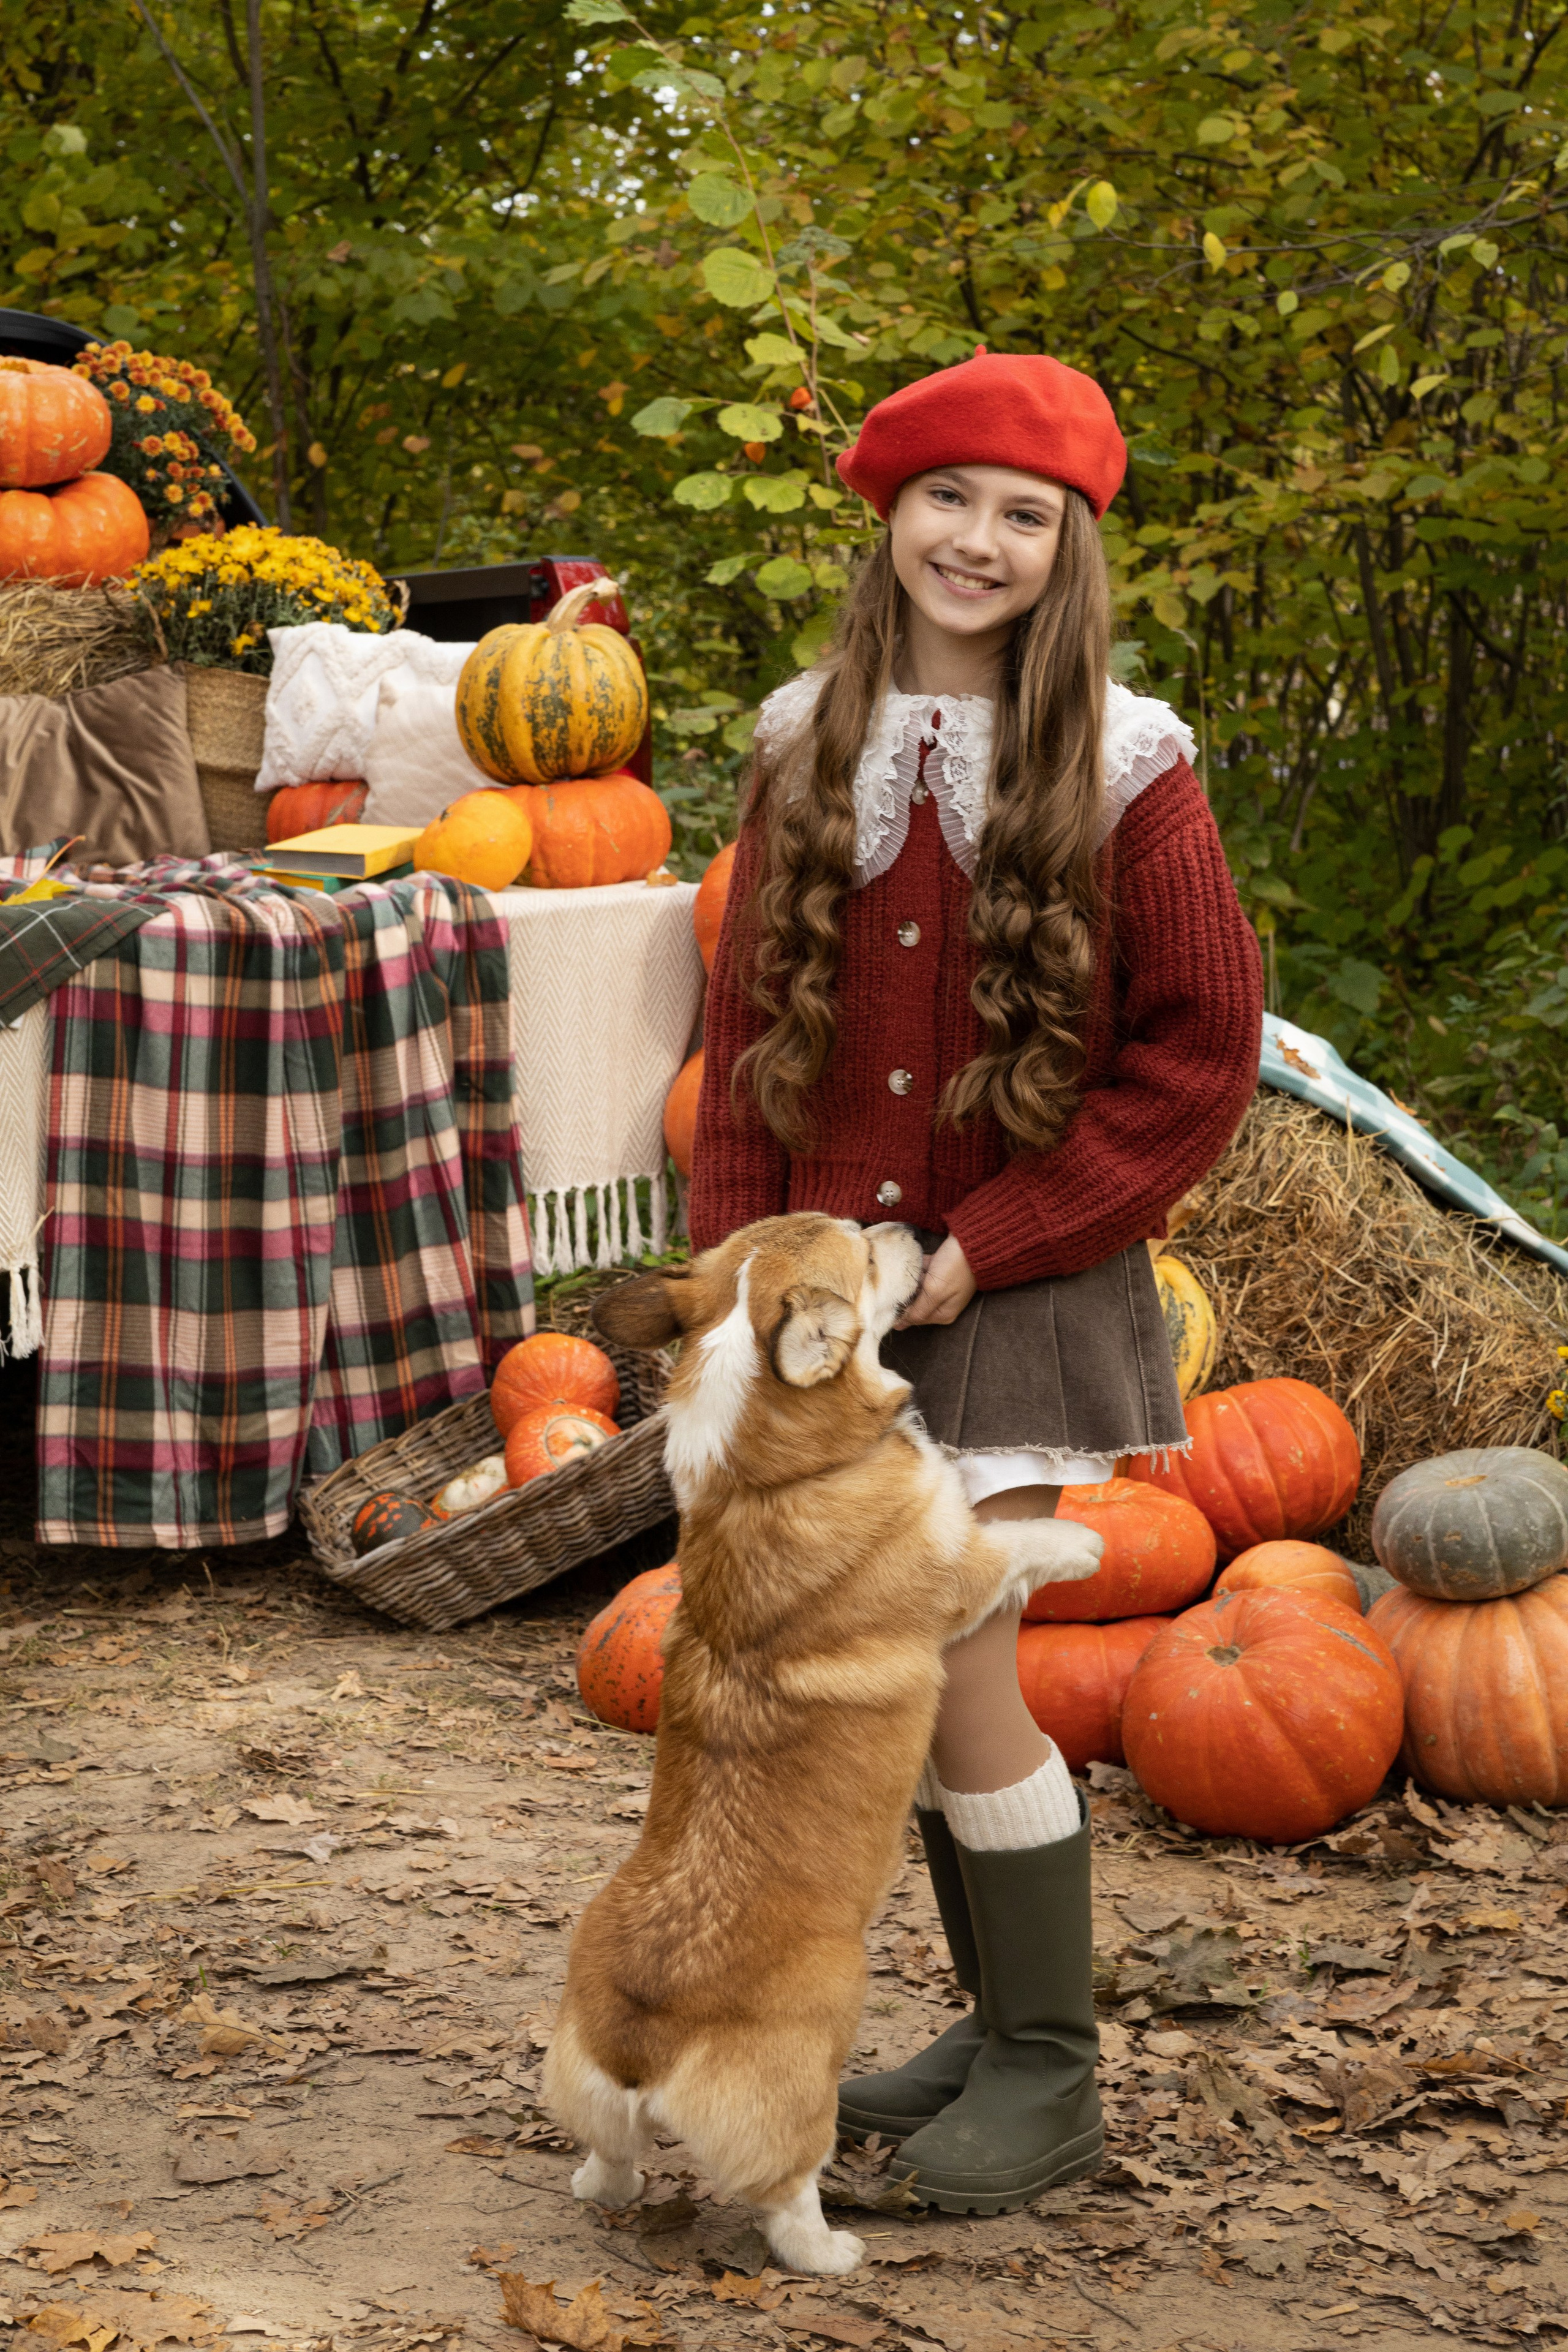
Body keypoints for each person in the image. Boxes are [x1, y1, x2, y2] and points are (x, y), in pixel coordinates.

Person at [687, 349, 1263, 2216]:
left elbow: (1197, 1063)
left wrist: (974, 1247)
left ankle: (1051, 2065)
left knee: (954, 1653)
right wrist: (730, 1319)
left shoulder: (1128, 775)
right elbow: (746, 1050)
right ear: (890, 515)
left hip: (1024, 1282)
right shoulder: (801, 751)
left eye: (1028, 515)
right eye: (951, 497)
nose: (981, 539)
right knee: (900, 1675)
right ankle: (990, 2022)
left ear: (1071, 553)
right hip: (834, 1311)